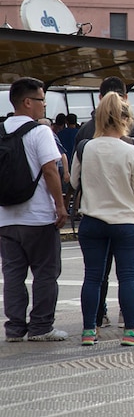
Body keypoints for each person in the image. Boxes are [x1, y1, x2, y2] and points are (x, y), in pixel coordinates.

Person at [75, 76, 134, 328]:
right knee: (127, 277)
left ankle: (90, 329)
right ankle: (130, 330)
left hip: (91, 221)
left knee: (92, 277)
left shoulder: (84, 146)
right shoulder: (133, 148)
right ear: (126, 118)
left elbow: (73, 183)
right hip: (125, 221)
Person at [1, 78, 70, 342]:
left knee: (13, 275)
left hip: (5, 218)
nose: (44, 105)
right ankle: (41, 327)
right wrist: (60, 205)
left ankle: (15, 329)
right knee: (45, 273)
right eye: (41, 99)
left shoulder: (0, 131)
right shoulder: (40, 132)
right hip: (39, 217)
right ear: (27, 102)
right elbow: (51, 170)